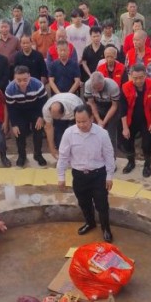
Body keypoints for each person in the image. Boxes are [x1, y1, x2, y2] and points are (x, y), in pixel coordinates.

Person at [57, 106, 116, 243]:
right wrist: (61, 177)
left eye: (84, 121)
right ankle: (90, 223)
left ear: (91, 118)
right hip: (79, 175)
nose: (81, 125)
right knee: (84, 203)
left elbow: (109, 155)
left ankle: (106, 229)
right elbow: (63, 156)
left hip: (98, 175)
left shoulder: (102, 133)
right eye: (78, 122)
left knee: (102, 204)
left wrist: (109, 176)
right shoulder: (69, 133)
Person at [5, 65, 48, 167]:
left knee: (38, 133)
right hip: (19, 112)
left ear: (29, 76)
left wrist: (41, 117)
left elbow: (44, 102)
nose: (22, 83)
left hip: (35, 110)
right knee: (19, 135)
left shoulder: (38, 85)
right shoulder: (9, 89)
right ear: (14, 78)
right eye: (18, 80)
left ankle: (38, 155)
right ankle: (22, 156)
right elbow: (11, 108)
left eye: (25, 79)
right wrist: (14, 124)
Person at [121, 65, 151, 178]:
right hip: (131, 119)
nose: (138, 81)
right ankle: (131, 162)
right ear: (131, 76)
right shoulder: (125, 87)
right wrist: (125, 127)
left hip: (148, 119)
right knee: (127, 141)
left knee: (147, 144)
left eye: (141, 77)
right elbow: (123, 109)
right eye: (135, 78)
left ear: (145, 76)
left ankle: (147, 165)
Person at [84, 72, 121, 152]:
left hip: (111, 106)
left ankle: (112, 159)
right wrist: (98, 119)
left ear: (103, 82)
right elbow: (91, 103)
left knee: (111, 135)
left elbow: (114, 106)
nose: (97, 90)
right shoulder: (87, 85)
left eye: (99, 88)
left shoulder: (113, 86)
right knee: (93, 132)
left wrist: (104, 121)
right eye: (95, 88)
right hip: (97, 106)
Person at [43, 92, 85, 158]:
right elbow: (49, 128)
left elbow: (83, 124)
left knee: (75, 135)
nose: (55, 118)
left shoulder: (75, 105)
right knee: (59, 137)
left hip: (74, 113)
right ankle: (63, 155)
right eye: (53, 116)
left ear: (63, 113)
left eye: (57, 117)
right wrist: (52, 148)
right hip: (63, 111)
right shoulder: (46, 109)